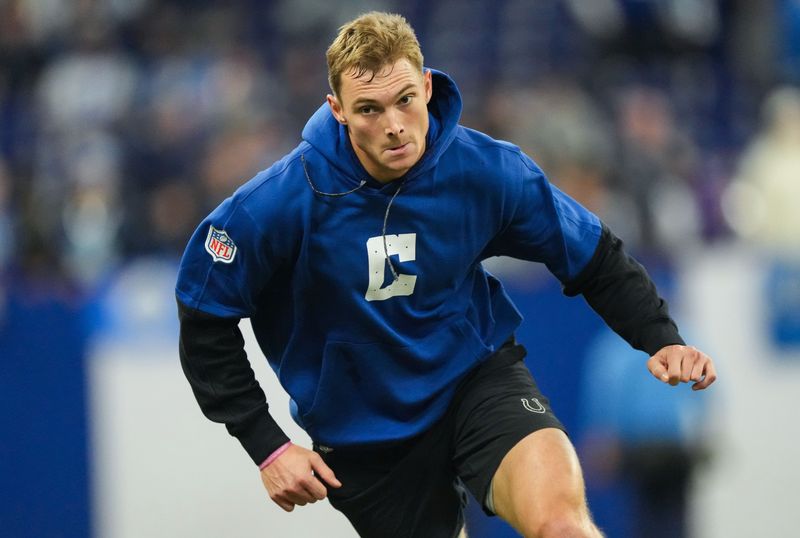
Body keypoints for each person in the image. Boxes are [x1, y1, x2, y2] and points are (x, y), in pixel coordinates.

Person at [176, 12, 717, 538]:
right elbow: (204, 315)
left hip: (475, 383)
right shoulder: (276, 203)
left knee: (562, 528)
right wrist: (267, 444)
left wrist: (658, 338)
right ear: (336, 109)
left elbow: (592, 254)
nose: (393, 127)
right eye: (368, 109)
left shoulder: (485, 170)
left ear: (427, 86)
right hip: (363, 434)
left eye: (404, 100)